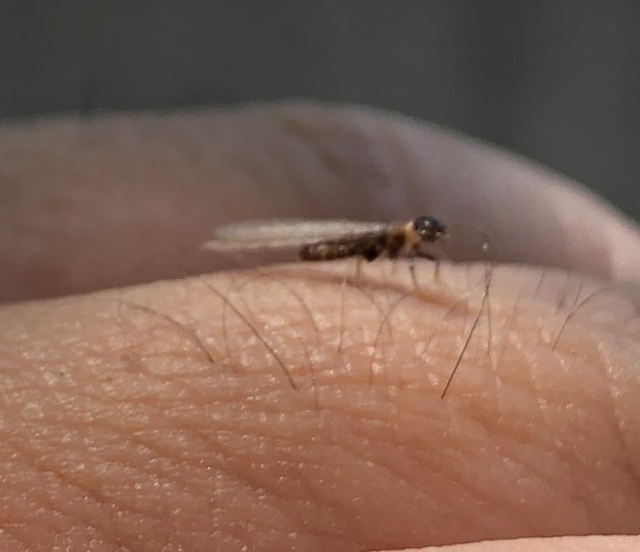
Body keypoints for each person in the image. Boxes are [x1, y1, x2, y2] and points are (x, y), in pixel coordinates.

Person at [0, 103, 638, 551]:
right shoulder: (382, 238)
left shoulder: (399, 241)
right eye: (423, 235)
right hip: (326, 250)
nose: (425, 241)